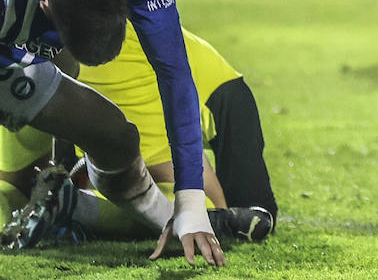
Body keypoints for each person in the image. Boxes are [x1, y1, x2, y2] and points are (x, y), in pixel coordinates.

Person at [0, 0, 223, 265]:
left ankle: (166, 215)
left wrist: (191, 199)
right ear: (46, 9)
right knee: (99, 128)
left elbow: (174, 72)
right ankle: (144, 213)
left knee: (110, 133)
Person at [2, 24, 275, 247]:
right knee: (209, 214)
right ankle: (74, 207)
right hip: (115, 62)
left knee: (17, 188)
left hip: (37, 60)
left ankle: (72, 202)